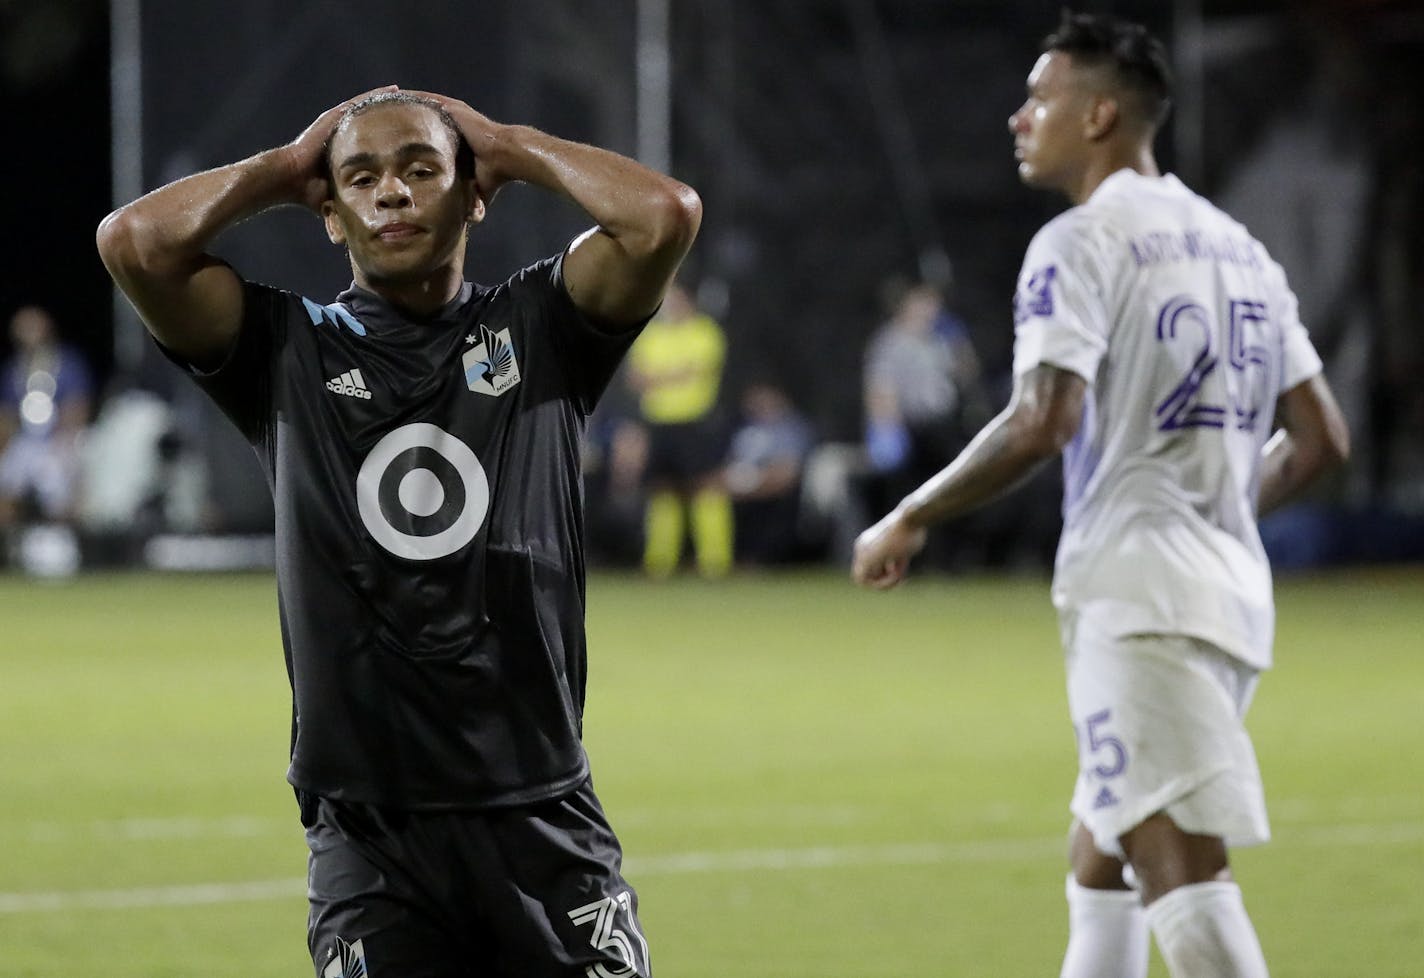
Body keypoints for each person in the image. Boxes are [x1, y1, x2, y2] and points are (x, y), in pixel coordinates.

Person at [97, 86, 700, 978]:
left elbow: (661, 216)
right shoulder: (284, 349)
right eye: (362, 179)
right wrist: (286, 167)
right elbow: (133, 243)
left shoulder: (540, 326)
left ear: (473, 195)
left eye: (423, 170)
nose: (392, 194)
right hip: (371, 833)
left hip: (539, 811)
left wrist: (506, 142)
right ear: (331, 215)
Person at [851, 13, 1349, 978]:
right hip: (1230, 593)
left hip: (1141, 599)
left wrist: (911, 514)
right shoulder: (1238, 246)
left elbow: (1043, 419)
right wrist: (1225, 508)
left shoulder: (1079, 244)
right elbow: (1326, 438)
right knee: (1101, 858)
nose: (1019, 116)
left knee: (1181, 871)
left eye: (1041, 97)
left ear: (1102, 114)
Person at [623, 281, 733, 577]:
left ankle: (715, 562)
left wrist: (658, 378)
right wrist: (673, 376)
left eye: (675, 298)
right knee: (662, 491)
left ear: (689, 300)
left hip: (696, 422)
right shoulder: (652, 335)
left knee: (706, 487)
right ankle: (659, 563)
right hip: (659, 422)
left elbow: (699, 372)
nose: (670, 304)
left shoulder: (705, 332)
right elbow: (636, 379)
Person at [0, 305, 94, 532]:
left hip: (59, 440)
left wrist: (64, 443)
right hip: (25, 441)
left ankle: (62, 541)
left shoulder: (67, 363)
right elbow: (6, 415)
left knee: (58, 490)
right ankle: (10, 547)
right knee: (6, 483)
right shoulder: (13, 369)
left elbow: (78, 407)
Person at [724, 380, 816, 565]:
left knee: (774, 507)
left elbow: (789, 472)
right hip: (744, 489)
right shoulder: (746, 430)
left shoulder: (790, 428)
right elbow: (731, 464)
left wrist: (757, 482)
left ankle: (765, 559)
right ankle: (729, 559)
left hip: (780, 490)